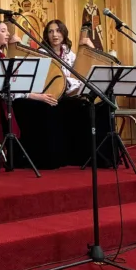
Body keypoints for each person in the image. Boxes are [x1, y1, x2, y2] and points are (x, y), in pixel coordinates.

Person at [0, 21, 57, 170]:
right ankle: (22, 156)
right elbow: (4, 88)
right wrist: (35, 96)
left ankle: (25, 155)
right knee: (36, 108)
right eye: (3, 31)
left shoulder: (1, 54)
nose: (8, 34)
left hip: (4, 98)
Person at [41, 19, 116, 168]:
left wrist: (90, 47)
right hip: (57, 95)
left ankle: (101, 156)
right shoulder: (43, 53)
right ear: (46, 35)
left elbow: (83, 71)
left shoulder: (69, 52)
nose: (55, 34)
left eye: (58, 31)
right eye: (50, 31)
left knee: (102, 103)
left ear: (63, 33)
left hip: (74, 92)